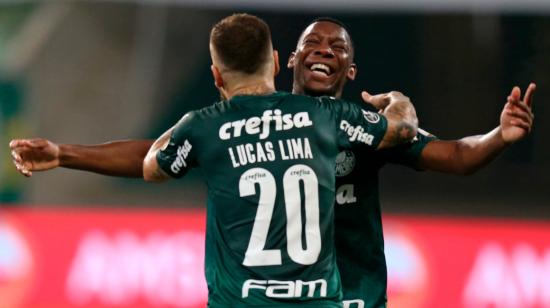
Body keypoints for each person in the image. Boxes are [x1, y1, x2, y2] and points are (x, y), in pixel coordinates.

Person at [10, 18, 535, 308]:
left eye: (338, 46)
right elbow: (402, 126)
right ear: (288, 59)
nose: (324, 49)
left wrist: (499, 135)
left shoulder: (237, 122)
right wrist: (399, 102)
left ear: (352, 66)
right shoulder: (342, 123)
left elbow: (456, 156)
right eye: (312, 42)